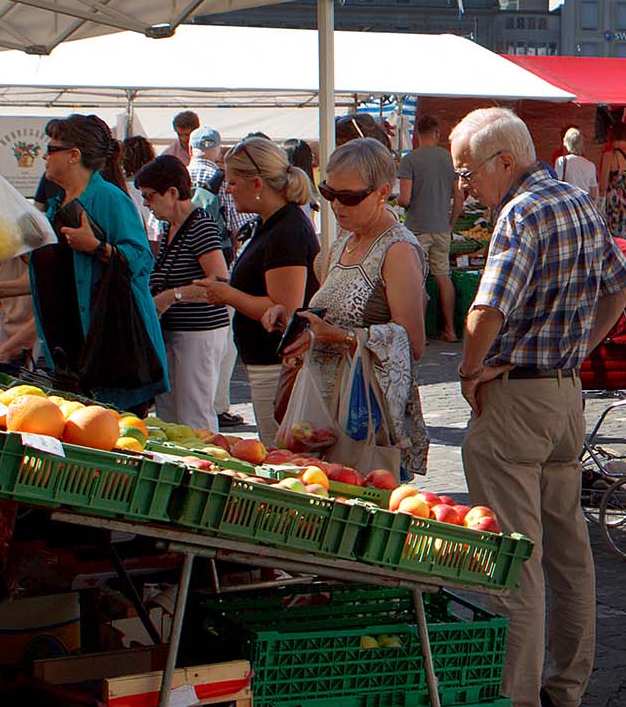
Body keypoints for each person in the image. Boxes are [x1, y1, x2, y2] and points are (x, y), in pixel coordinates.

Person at [452, 107, 626, 707]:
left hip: (517, 399)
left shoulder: (520, 211)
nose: (465, 186)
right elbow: (624, 282)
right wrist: (580, 347)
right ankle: (567, 685)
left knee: (515, 557)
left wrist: (470, 372)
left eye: (467, 171)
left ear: (504, 161)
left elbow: (486, 310)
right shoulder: (577, 201)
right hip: (563, 396)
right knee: (567, 548)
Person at [0, 115, 167, 410]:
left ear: (73, 155)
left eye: (52, 149)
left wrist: (97, 247)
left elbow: (142, 261)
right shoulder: (57, 205)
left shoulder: (109, 199)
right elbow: (60, 278)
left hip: (109, 350)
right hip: (69, 353)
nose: (44, 156)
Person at [282, 139, 429, 477]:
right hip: (324, 418)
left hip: (366, 421)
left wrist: (340, 337)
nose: (336, 205)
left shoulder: (398, 250)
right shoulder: (343, 243)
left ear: (381, 192)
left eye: (349, 197)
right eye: (329, 193)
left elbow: (412, 343)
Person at [191, 138, 316, 434]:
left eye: (233, 183)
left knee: (282, 456)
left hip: (278, 366)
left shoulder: (286, 231)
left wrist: (228, 294)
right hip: (267, 362)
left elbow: (284, 310)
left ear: (257, 184)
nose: (228, 189)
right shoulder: (270, 224)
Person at [134, 156, 237, 429]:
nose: (146, 203)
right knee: (169, 416)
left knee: (195, 414)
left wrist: (171, 296)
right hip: (174, 331)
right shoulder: (171, 227)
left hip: (198, 332)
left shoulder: (199, 224)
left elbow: (219, 280)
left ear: (172, 192)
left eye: (149, 196)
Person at [398, 113, 466, 342]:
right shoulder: (449, 159)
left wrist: (401, 202)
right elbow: (459, 198)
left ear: (417, 134)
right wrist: (451, 222)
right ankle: (450, 329)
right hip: (441, 228)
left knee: (416, 279)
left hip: (417, 227)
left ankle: (421, 332)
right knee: (443, 277)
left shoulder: (410, 160)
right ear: (437, 134)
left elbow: (405, 199)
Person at [553, 126, 601, 196]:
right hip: (584, 204)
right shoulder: (590, 165)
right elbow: (593, 194)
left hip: (569, 204)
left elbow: (557, 187)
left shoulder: (561, 161)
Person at [190, 127, 227, 199]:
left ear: (190, 149)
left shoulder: (178, 175)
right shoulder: (225, 180)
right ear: (219, 150)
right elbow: (229, 209)